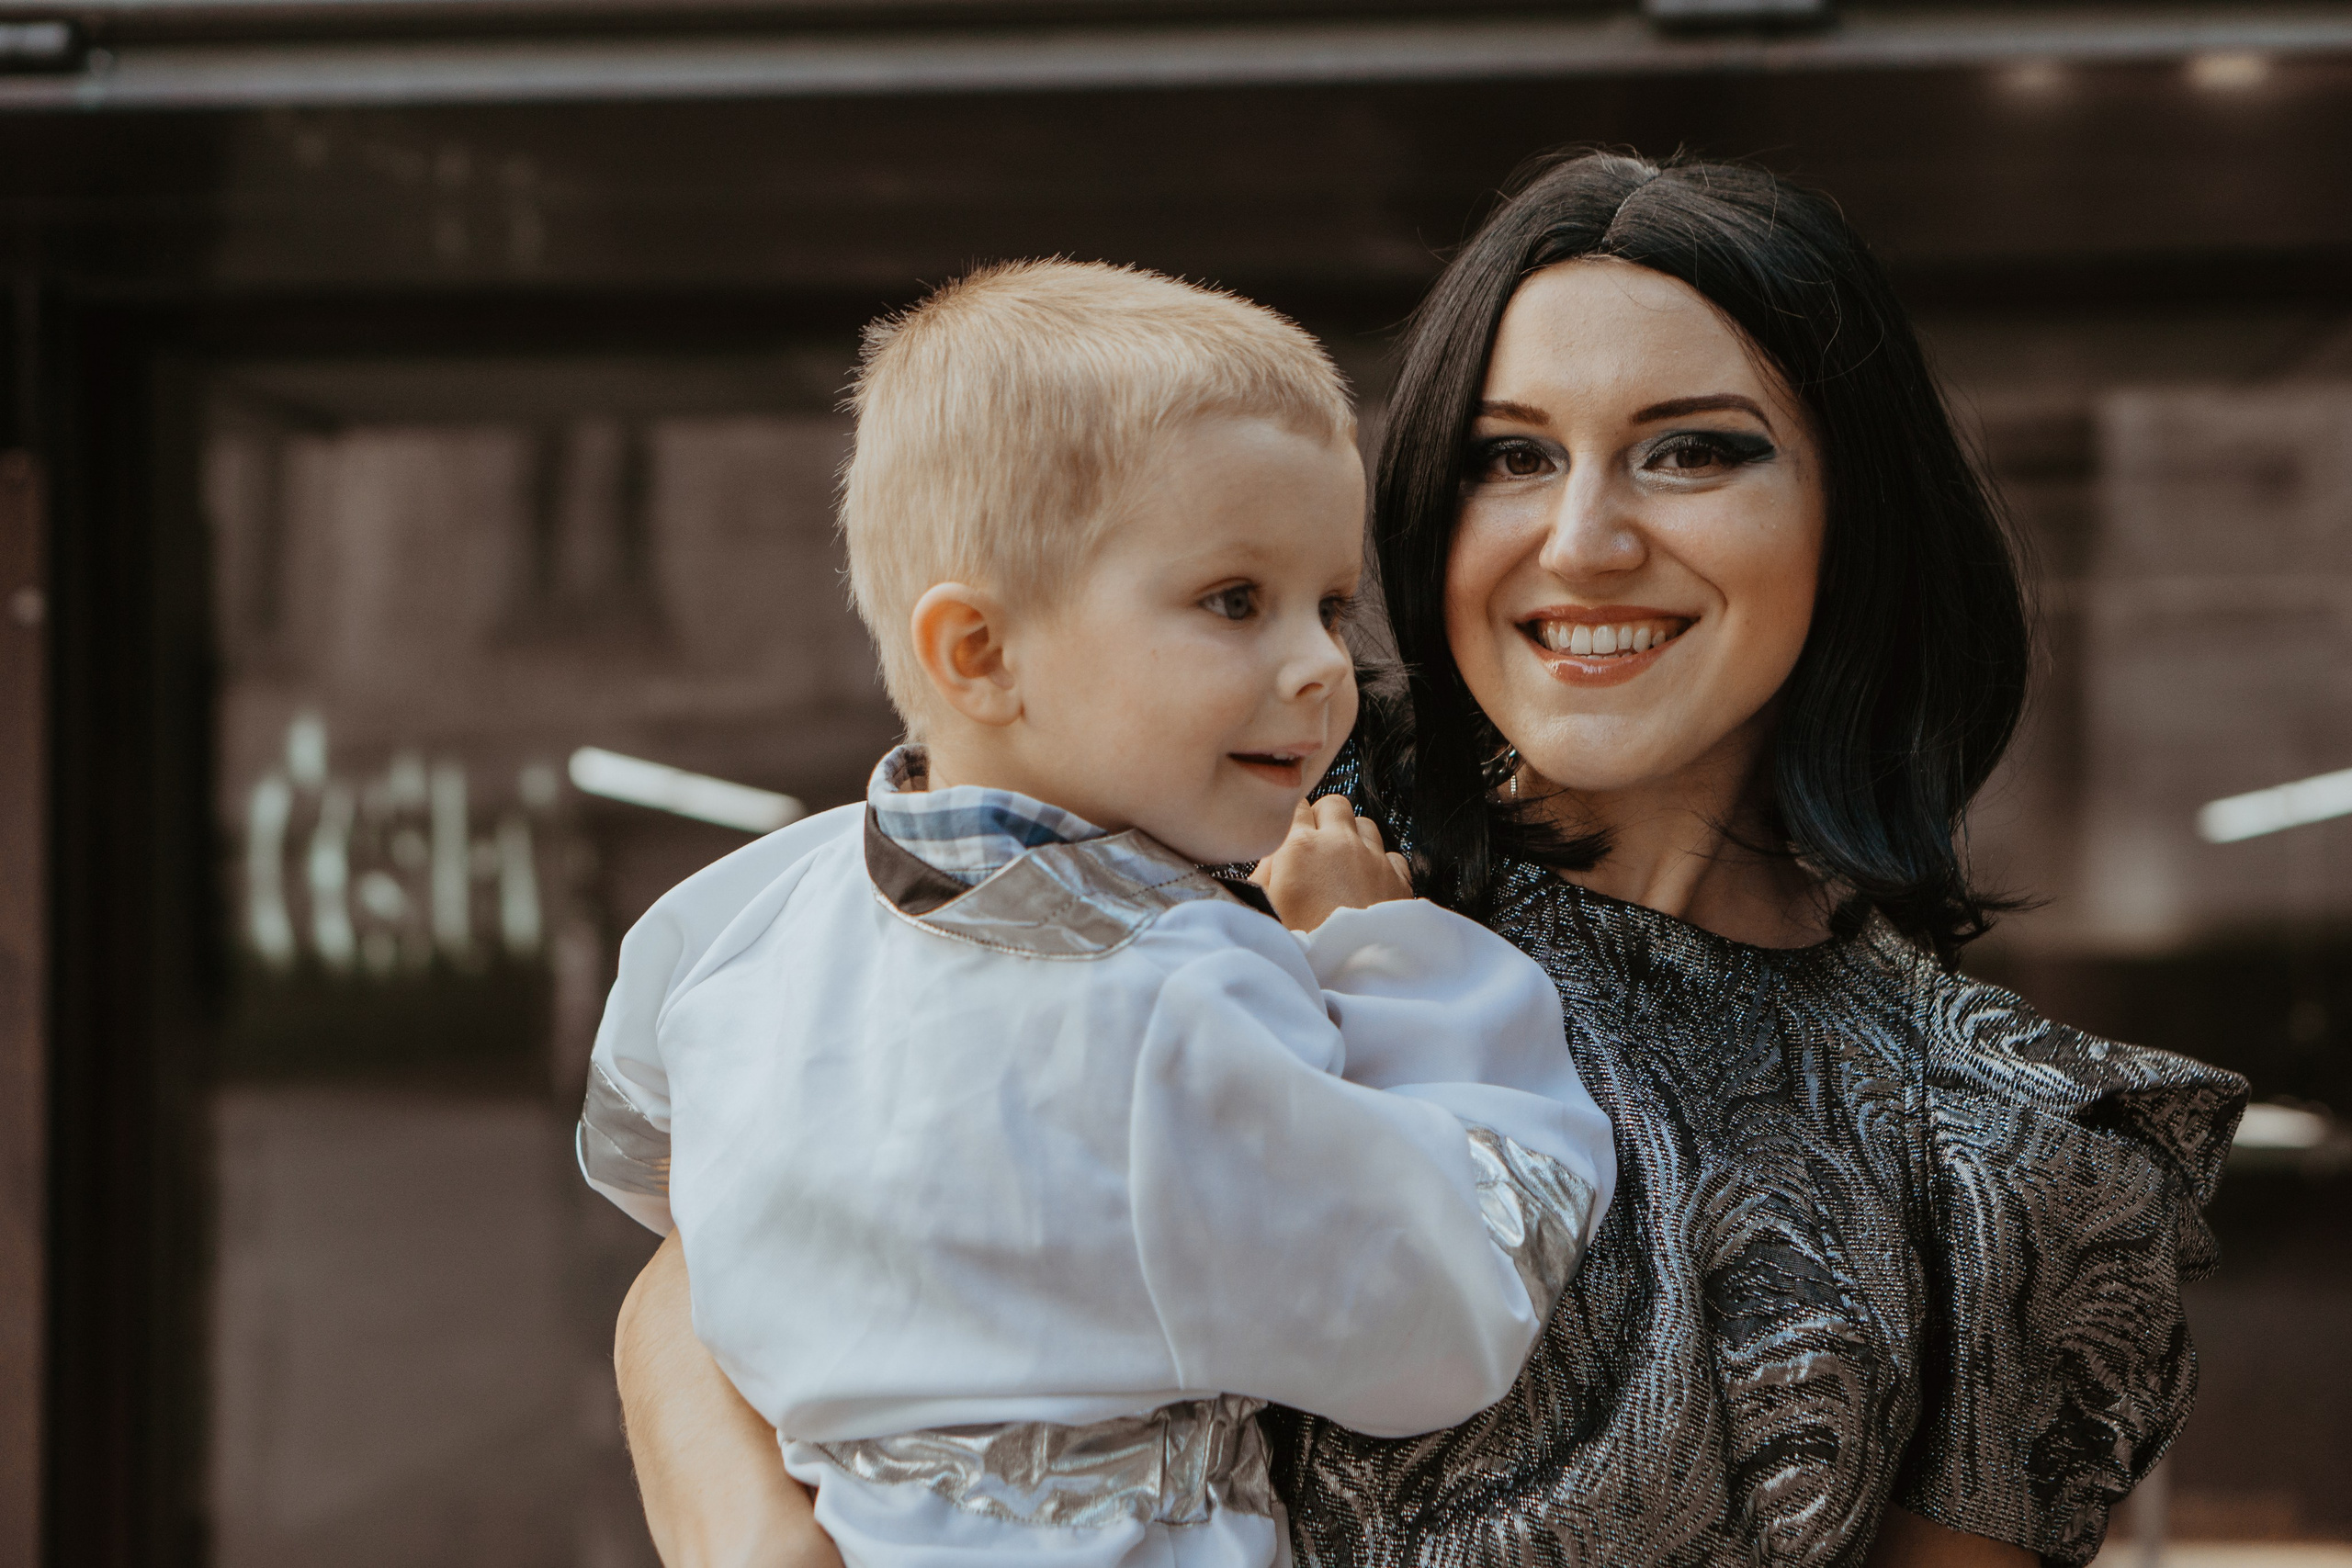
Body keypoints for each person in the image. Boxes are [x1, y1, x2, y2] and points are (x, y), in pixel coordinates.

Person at [608, 154, 2250, 1568]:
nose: (1584, 537)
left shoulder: (2020, 1159)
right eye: (1508, 456)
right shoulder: (1215, 817)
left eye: (1692, 449)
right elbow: (720, 1259)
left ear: (1854, 508)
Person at [577, 260, 1616, 1568]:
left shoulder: (752, 919)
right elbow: (1452, 1309)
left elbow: (648, 1154)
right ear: (982, 653)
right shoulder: (1169, 1002)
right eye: (1233, 601)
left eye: (1331, 606)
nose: (1319, 666)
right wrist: (1381, 952)